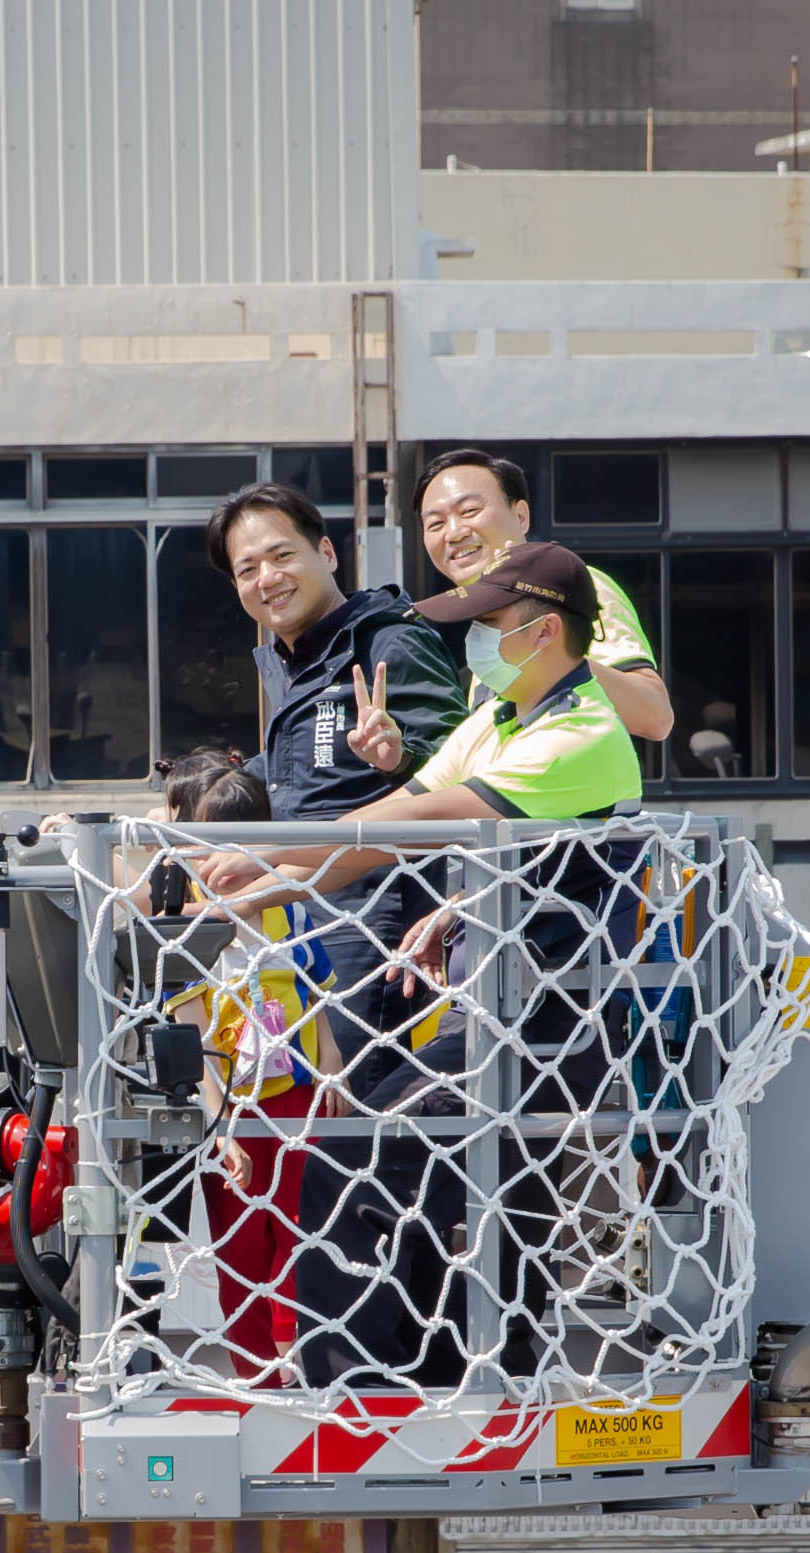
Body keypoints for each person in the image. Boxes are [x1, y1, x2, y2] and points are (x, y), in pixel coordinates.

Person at [199, 542, 644, 1387]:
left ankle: (356, 1393)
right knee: (481, 1198)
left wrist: (262, 866)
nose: (473, 642)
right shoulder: (502, 719)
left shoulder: (579, 734)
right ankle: (455, 1382)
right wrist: (259, 884)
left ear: (546, 632)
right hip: (500, 1014)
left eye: (487, 623)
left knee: (358, 1160)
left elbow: (406, 828)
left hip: (548, 1028)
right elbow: (392, 808)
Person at [204, 480, 466, 1088]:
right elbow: (295, 777)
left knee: (354, 1111)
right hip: (301, 918)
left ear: (326, 552)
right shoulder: (292, 661)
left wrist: (397, 756)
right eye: (247, 569)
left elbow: (461, 770)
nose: (267, 579)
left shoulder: (389, 640)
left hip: (375, 924)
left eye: (282, 556)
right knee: (307, 1110)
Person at [158, 759, 340, 1388]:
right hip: (232, 1108)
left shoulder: (288, 909)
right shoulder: (187, 927)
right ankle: (258, 1378)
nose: (226, 862)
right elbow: (195, 1038)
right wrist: (221, 1128)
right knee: (240, 1250)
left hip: (295, 1094)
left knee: (297, 1232)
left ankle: (297, 1358)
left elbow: (317, 991)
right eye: (213, 845)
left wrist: (333, 1068)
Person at [415, 448, 675, 745]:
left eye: (470, 511)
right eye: (435, 524)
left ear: (521, 516)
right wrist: (400, 757)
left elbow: (655, 715)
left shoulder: (572, 588)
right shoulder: (483, 632)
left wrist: (553, 658)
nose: (454, 533)